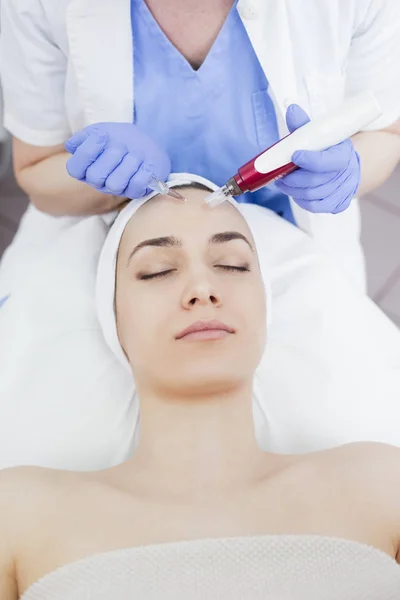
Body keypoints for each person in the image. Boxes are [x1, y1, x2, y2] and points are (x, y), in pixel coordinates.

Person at [1, 183, 400, 600]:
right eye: (157, 270)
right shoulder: (18, 512)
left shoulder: (383, 481)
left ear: (266, 307)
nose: (202, 287)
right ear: (113, 320)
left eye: (232, 264)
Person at [1, 0, 399, 291]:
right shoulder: (36, 7)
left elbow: (384, 131)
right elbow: (35, 167)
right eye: (156, 270)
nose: (201, 296)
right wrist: (101, 181)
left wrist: (350, 170)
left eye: (233, 265)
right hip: (95, 233)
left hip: (295, 230)